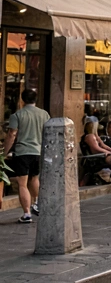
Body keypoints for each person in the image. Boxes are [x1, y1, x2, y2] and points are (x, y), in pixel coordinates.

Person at [3, 89, 47, 223]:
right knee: (34, 178)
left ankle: (27, 213)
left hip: (23, 152)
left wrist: (4, 152)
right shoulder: (44, 114)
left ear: (22, 100)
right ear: (36, 99)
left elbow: (12, 135)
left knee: (22, 183)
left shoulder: (17, 115)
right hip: (38, 152)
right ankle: (38, 204)